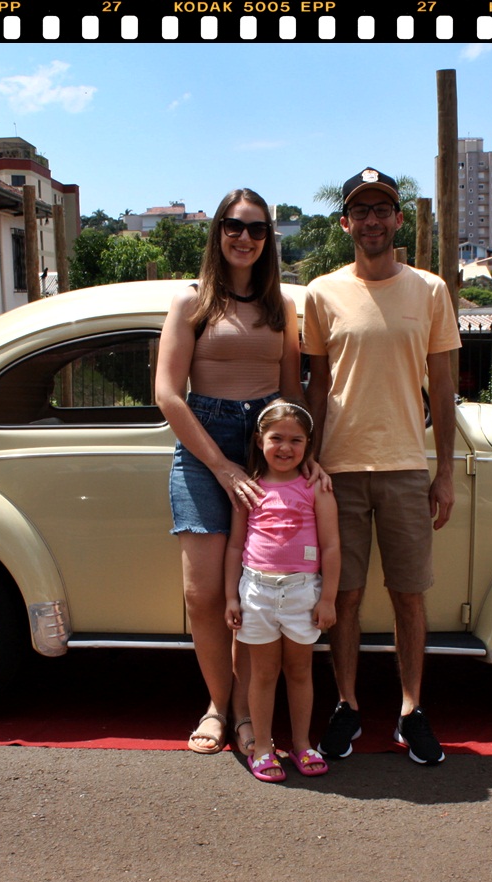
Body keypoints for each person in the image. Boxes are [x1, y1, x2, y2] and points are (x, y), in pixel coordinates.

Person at [304, 167, 462, 765]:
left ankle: (411, 710)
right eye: (360, 211)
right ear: (346, 223)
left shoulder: (430, 291)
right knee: (343, 597)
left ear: (398, 219)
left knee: (409, 596)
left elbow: (442, 388)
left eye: (381, 210)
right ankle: (346, 705)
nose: (371, 220)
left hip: (404, 467)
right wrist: (308, 463)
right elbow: (316, 387)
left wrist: (444, 472)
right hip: (338, 470)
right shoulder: (321, 293)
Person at [156, 188, 308, 755]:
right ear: (218, 231)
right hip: (204, 447)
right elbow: (168, 395)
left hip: (265, 447)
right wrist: (220, 467)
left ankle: (246, 713)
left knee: (256, 586)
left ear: (268, 239)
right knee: (202, 594)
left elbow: (291, 394)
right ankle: (219, 705)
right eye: (234, 226)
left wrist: (305, 459)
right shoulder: (190, 302)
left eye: (257, 229)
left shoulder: (280, 307)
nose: (245, 238)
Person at [224, 403, 341, 781]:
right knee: (262, 673)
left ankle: (302, 744)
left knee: (300, 671)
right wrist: (231, 597)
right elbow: (235, 546)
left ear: (308, 445)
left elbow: (332, 546)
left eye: (296, 440)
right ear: (260, 441)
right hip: (256, 592)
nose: (286, 447)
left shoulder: (316, 488)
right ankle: (262, 747)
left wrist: (328, 599)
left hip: (303, 593)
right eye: (277, 438)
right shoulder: (250, 489)